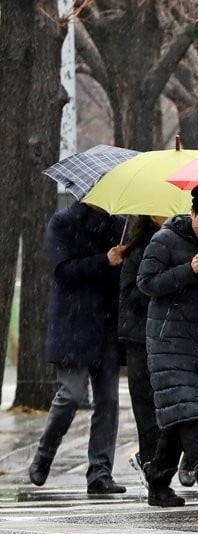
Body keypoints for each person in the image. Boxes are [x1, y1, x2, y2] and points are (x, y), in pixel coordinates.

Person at [136, 184, 198, 506]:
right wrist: (187, 271)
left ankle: (158, 484)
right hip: (168, 340)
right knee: (187, 412)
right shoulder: (164, 240)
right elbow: (146, 283)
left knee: (179, 414)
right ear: (192, 213)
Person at [29, 202, 126, 494]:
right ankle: (44, 454)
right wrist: (104, 261)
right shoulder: (63, 222)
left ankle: (100, 472)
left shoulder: (119, 225)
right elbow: (62, 270)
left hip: (107, 325)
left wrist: (122, 260)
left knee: (108, 401)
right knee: (70, 394)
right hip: (73, 325)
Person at [119, 214, 166, 485]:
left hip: (168, 335)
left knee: (167, 405)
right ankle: (150, 462)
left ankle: (159, 460)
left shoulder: (180, 244)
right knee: (146, 404)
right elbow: (130, 293)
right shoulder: (137, 249)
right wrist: (156, 287)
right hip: (139, 336)